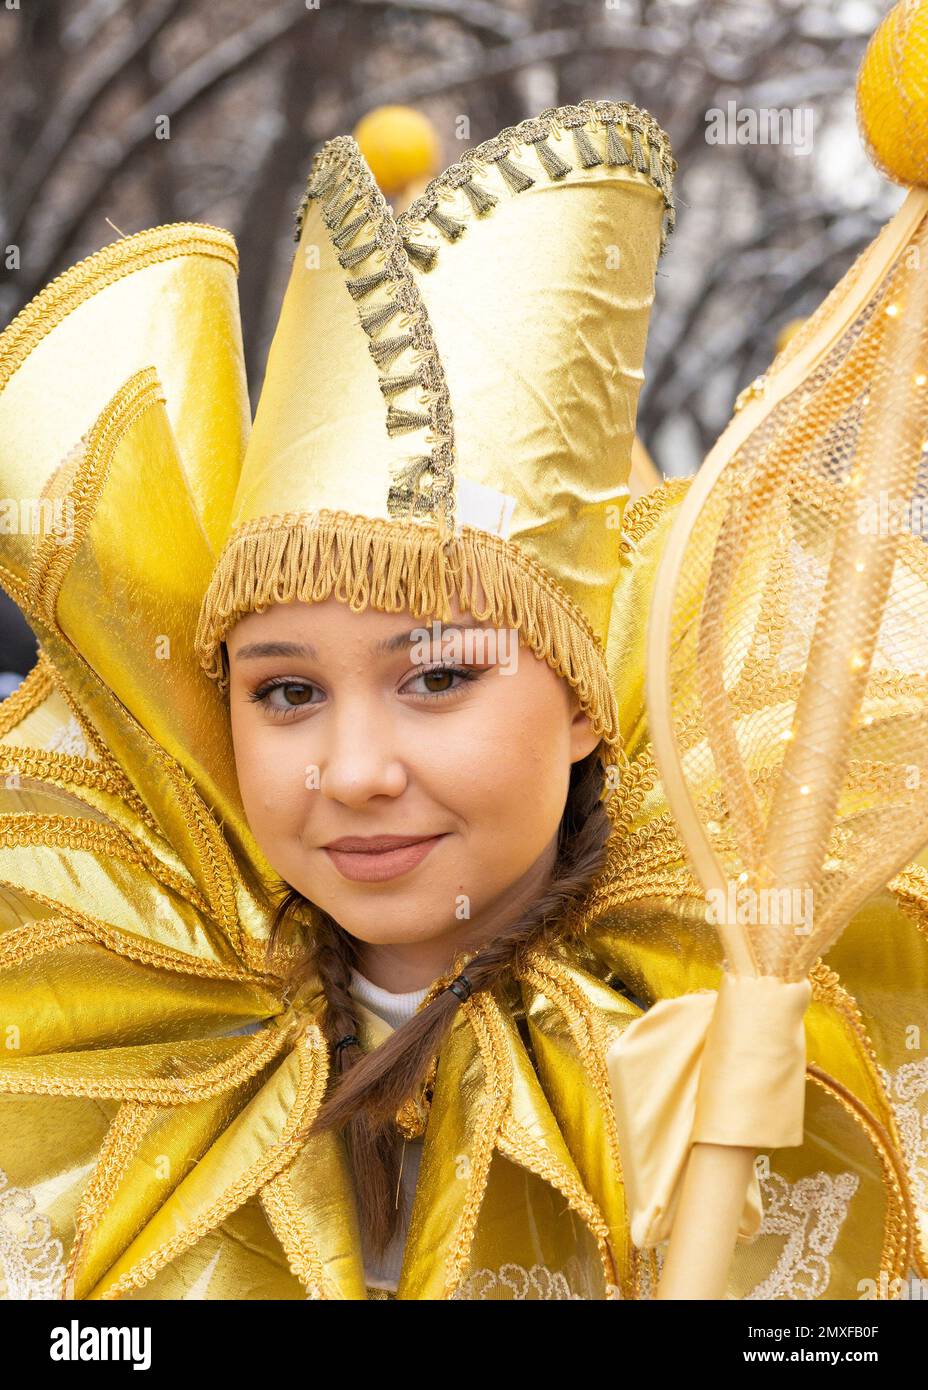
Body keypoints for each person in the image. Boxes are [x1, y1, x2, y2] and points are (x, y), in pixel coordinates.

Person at [0, 74, 925, 1301]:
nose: (358, 768)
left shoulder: (729, 1038)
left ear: (586, 700)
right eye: (285, 693)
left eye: (435, 675)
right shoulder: (127, 1023)